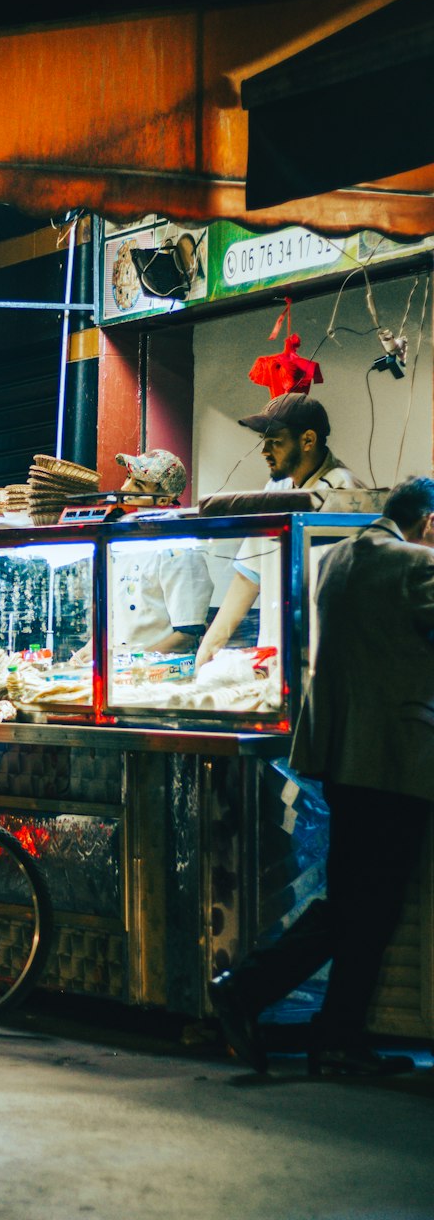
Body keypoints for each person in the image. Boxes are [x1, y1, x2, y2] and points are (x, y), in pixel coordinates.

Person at [209, 476, 434, 1077]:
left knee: (353, 900)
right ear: (430, 522)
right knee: (369, 905)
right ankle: (251, 991)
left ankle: (333, 1037)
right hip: (395, 758)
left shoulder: (336, 558)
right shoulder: (416, 565)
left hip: (340, 756)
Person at [195, 394, 366, 669]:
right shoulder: (277, 490)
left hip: (325, 662)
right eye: (264, 441)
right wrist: (209, 647)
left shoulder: (343, 493)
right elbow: (249, 577)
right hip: (275, 657)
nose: (265, 451)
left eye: (275, 442)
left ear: (307, 440)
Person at [110, 449, 212, 652]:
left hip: (159, 673)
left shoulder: (179, 550)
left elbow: (186, 636)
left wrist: (135, 665)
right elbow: (115, 620)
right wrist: (89, 652)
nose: (124, 488)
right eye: (127, 478)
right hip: (121, 669)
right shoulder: (123, 544)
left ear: (163, 500)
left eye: (137, 484)